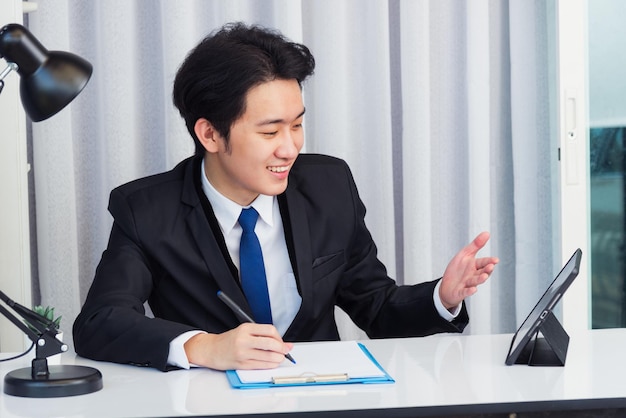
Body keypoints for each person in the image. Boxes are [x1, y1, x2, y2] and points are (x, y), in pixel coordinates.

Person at [73, 22, 499, 372]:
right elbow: (99, 322)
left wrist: (441, 298)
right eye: (270, 131)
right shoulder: (147, 210)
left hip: (323, 402)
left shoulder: (329, 186)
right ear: (209, 133)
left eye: (297, 125)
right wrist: (204, 347)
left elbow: (376, 307)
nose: (289, 148)